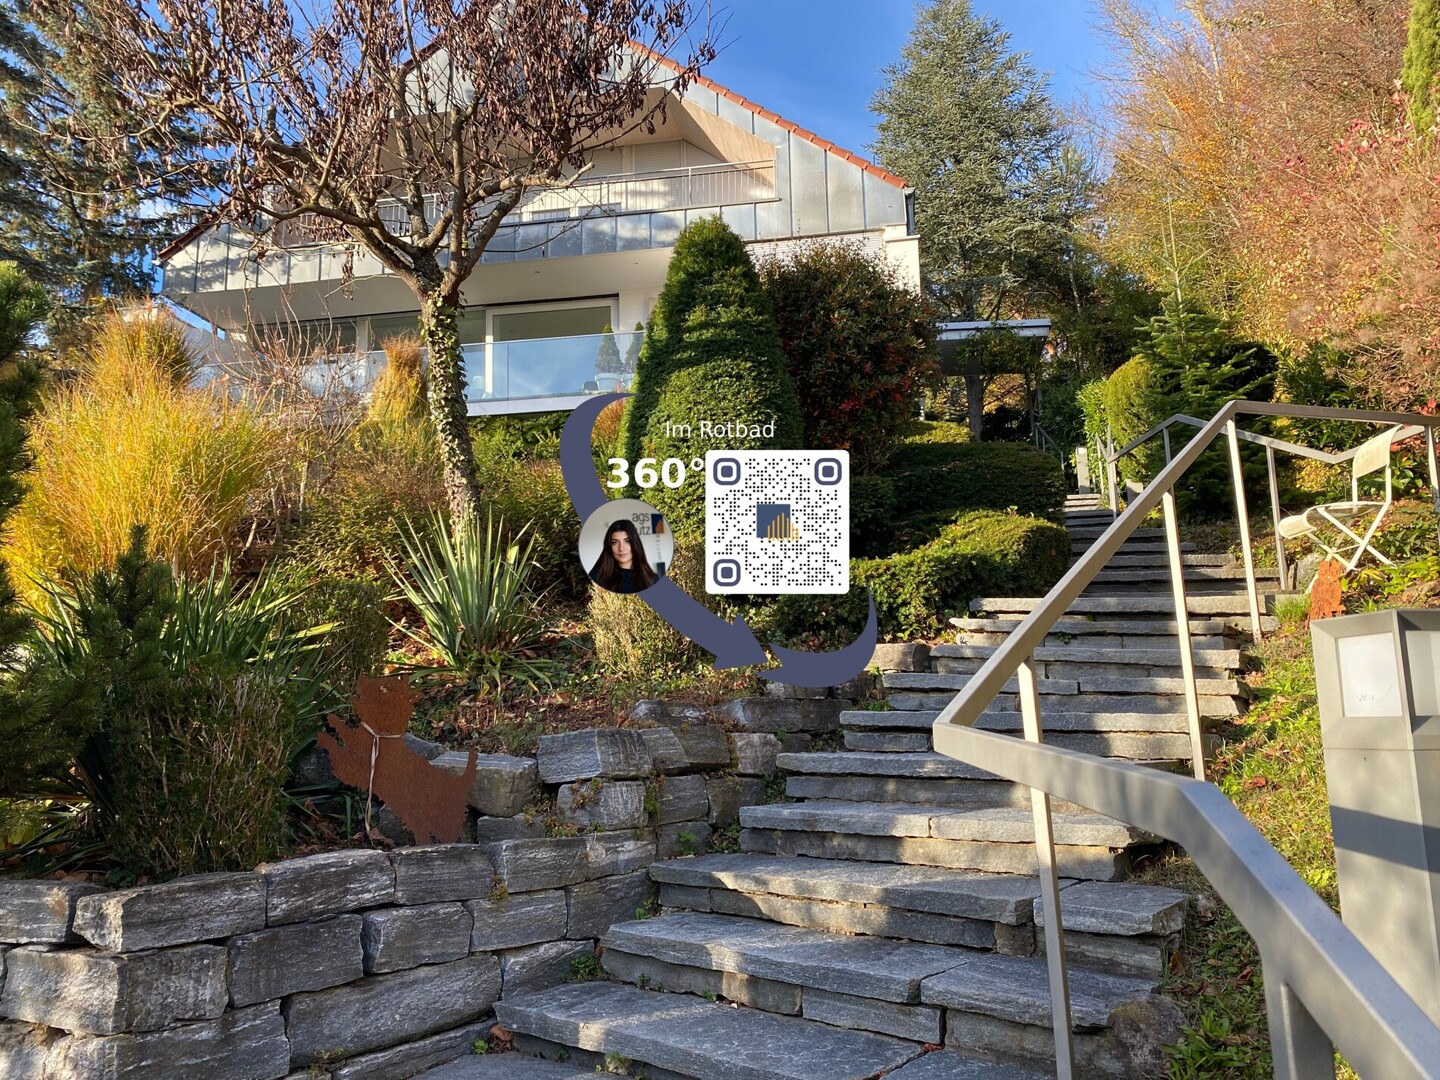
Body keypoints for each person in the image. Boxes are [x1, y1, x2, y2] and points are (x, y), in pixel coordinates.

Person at [589, 518, 660, 594]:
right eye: (614, 542)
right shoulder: (597, 577)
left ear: (635, 544)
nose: (621, 548)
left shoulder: (652, 579)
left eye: (627, 541)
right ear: (609, 546)